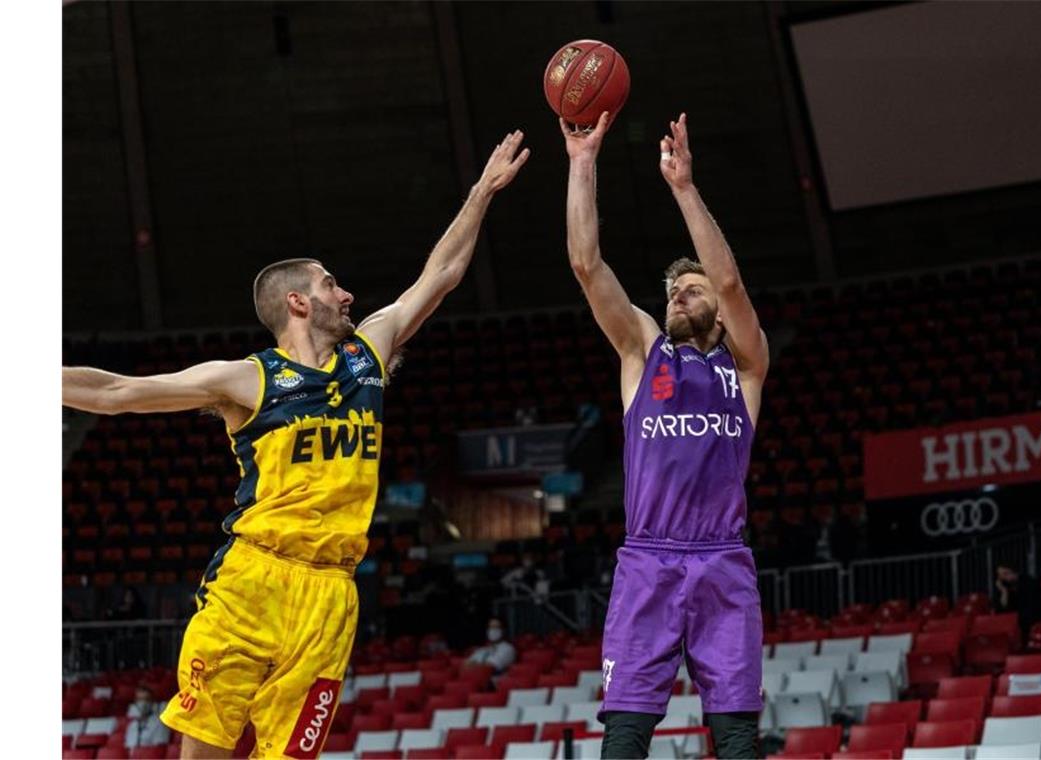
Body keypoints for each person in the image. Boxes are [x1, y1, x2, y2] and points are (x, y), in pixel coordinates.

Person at [62, 133, 529, 759]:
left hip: (332, 593)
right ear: (298, 300)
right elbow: (119, 390)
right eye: (333, 285)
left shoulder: (368, 355)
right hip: (252, 580)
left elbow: (440, 275)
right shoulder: (248, 379)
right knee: (204, 748)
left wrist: (480, 193)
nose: (348, 296)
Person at [562, 111, 769, 759]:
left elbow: (730, 281)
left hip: (722, 560)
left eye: (692, 288)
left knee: (735, 735)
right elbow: (586, 264)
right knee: (625, 731)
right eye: (674, 289)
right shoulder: (642, 354)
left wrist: (684, 189)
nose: (681, 294)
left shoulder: (746, 365)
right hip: (647, 560)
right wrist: (582, 161)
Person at [994, 564, 1041, 641]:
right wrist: (1004, 592)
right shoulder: (1005, 588)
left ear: (1014, 573)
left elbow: (1031, 605)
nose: (1003, 578)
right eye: (1000, 576)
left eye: (1005, 574)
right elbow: (1001, 610)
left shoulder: (1027, 582)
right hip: (1025, 615)